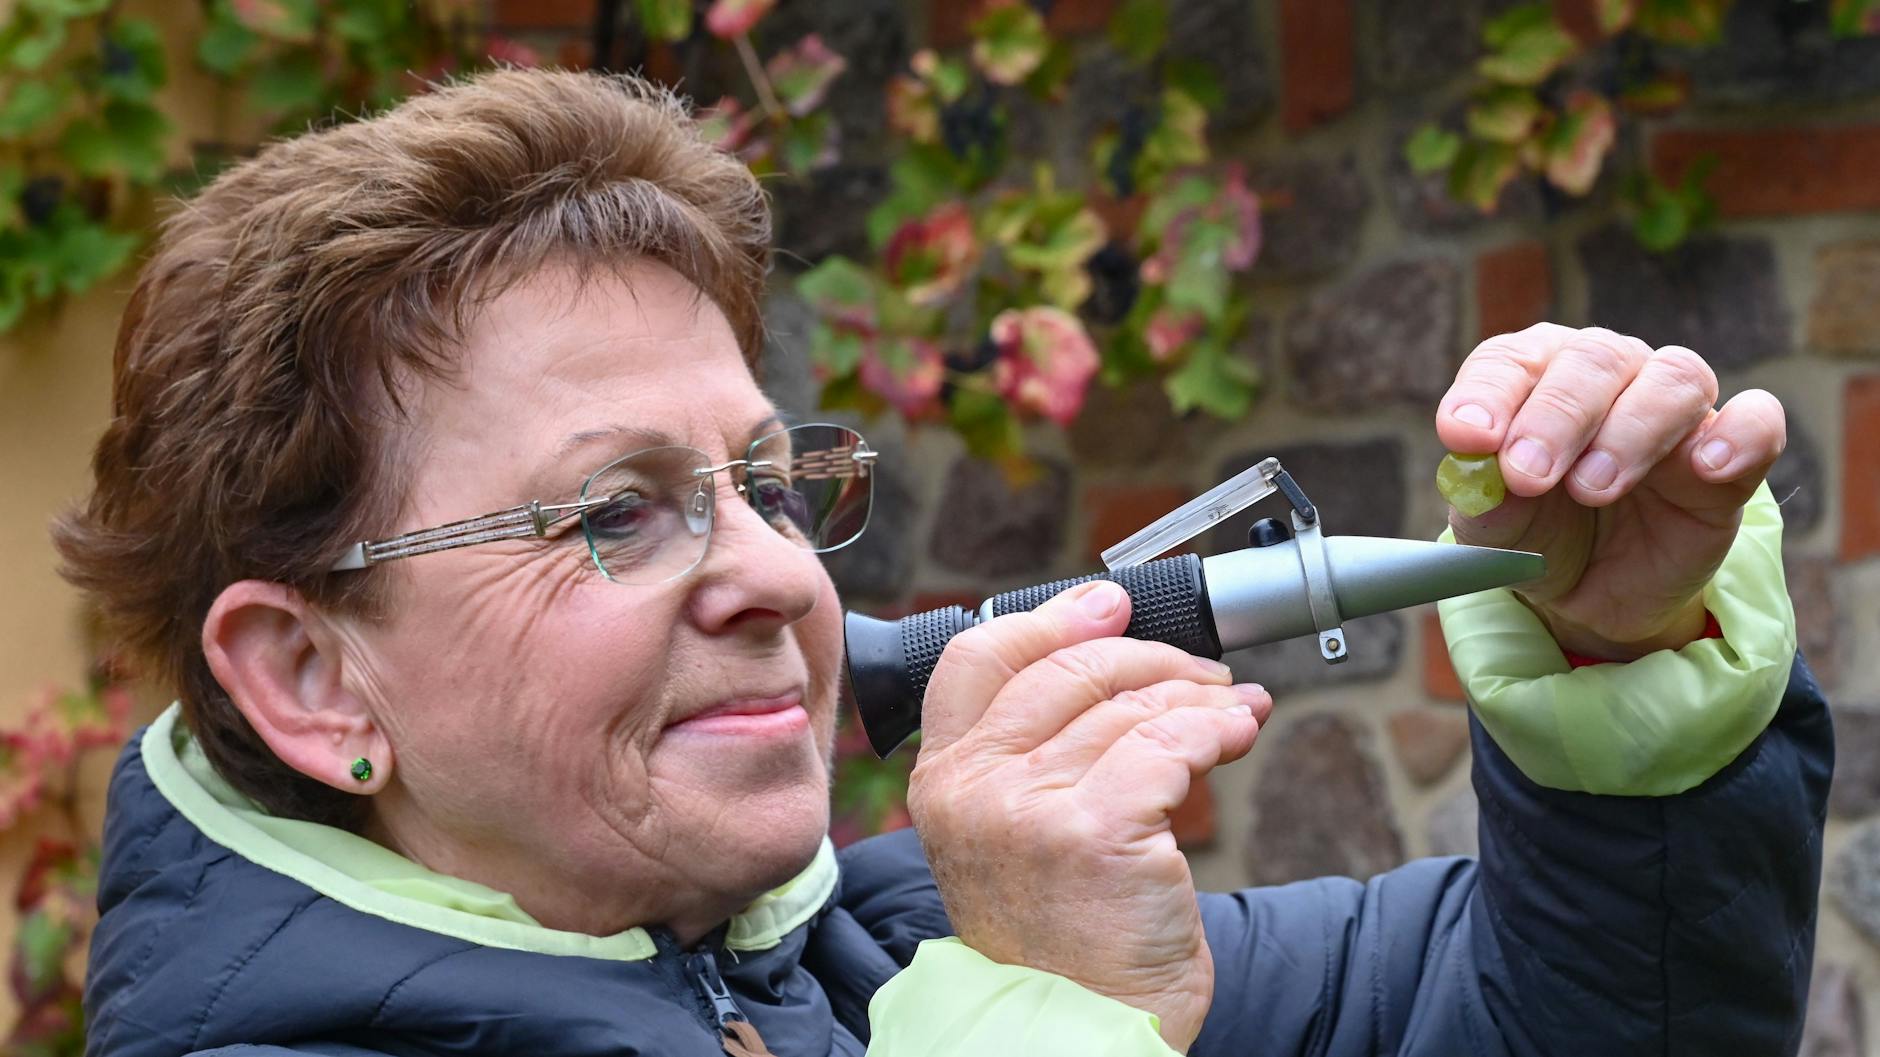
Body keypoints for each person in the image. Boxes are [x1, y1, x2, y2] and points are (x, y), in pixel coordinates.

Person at [54, 69, 1826, 1057]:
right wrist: (1050, 1019)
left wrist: (1623, 671)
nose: (775, 575)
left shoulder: (887, 953)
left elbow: (1568, 1021)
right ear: (313, 676)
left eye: (766, 482)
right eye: (613, 511)